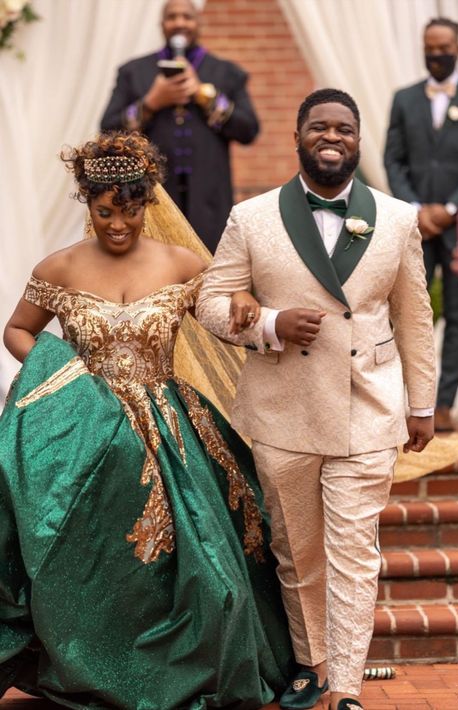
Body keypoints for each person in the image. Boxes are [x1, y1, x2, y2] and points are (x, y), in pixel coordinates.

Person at [0, 131, 294, 709]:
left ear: (147, 204)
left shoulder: (185, 263)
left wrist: (248, 310)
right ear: (87, 204)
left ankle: (180, 670)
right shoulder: (57, 267)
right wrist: (63, 380)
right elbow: (17, 330)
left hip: (170, 429)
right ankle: (91, 667)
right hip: (83, 435)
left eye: (129, 211)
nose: (116, 224)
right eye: (104, 211)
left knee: (204, 569)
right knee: (92, 564)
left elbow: (221, 318)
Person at [196, 88, 436, 710]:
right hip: (284, 409)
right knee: (297, 550)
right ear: (298, 137)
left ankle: (348, 687)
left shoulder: (398, 217)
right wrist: (270, 325)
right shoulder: (252, 218)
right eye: (320, 127)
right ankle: (312, 665)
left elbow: (414, 316)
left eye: (345, 129)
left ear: (358, 141)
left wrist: (423, 403)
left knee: (355, 552)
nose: (332, 137)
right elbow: (210, 303)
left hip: (370, 406)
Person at [100, 0, 259, 254]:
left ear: (199, 23)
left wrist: (203, 95)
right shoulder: (134, 72)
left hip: (209, 197)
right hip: (151, 197)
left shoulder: (227, 73)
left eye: (187, 16)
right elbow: (107, 130)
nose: (179, 23)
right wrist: (151, 103)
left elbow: (249, 130)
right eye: (172, 17)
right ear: (162, 25)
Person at [384, 17, 458, 433]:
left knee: (457, 315)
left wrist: (450, 209)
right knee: (411, 309)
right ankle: (408, 400)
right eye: (429, 48)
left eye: (443, 47)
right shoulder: (404, 99)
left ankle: (444, 405)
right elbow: (393, 159)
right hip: (413, 224)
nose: (436, 54)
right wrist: (414, 208)